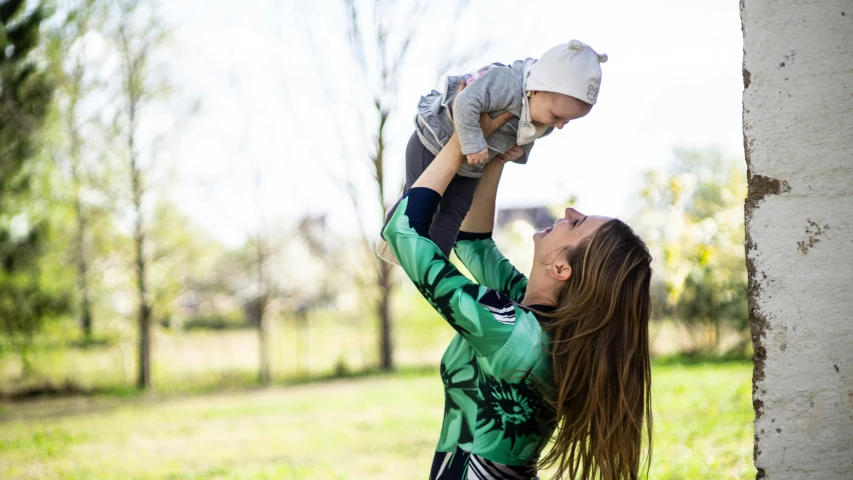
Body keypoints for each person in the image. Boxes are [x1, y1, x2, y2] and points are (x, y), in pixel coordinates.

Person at [381, 112, 653, 479]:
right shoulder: (538, 320)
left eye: (575, 224)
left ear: (561, 269)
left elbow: (402, 233)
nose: (570, 211)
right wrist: (496, 155)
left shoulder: (510, 329)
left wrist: (461, 141)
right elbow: (473, 245)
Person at [377, 40, 608, 265]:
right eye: (557, 116)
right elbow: (465, 102)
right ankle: (390, 239)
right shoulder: (506, 83)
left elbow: (526, 137)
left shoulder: (543, 120)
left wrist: (519, 153)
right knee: (421, 198)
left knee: (454, 212)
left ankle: (434, 263)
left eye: (567, 121)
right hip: (434, 142)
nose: (558, 125)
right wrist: (473, 143)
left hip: (471, 166)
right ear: (536, 89)